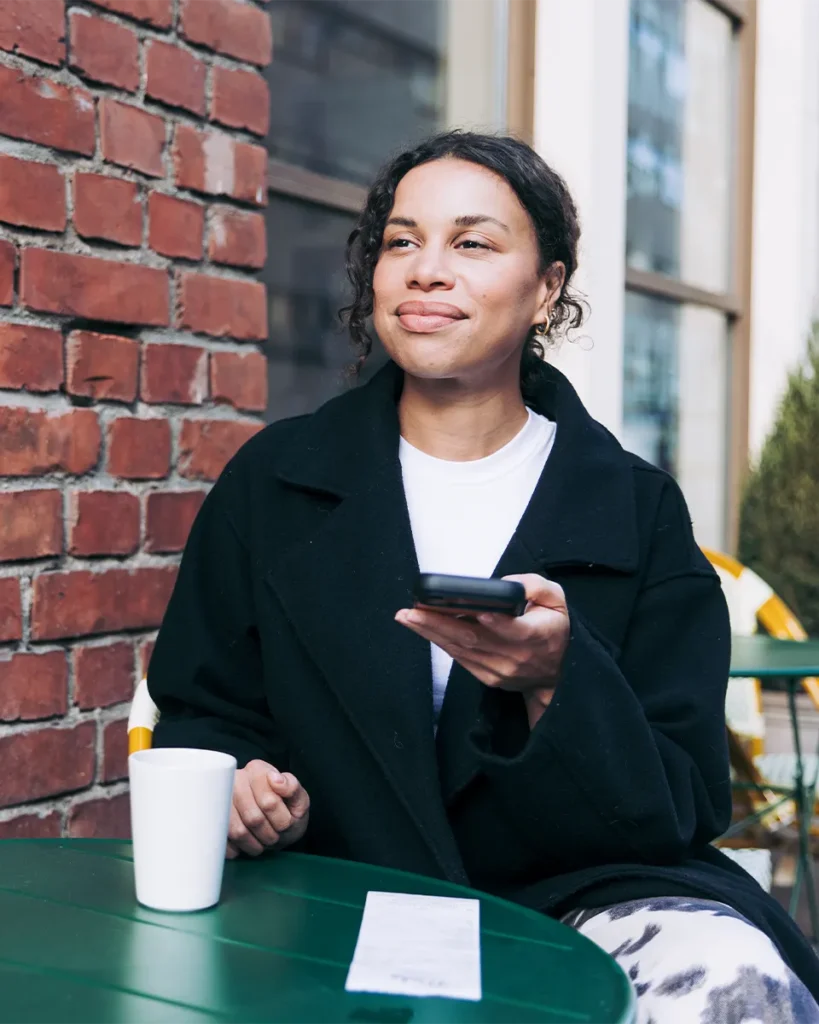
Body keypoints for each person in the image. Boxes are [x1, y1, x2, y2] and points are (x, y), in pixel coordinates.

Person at [149, 131, 819, 1021]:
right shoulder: (274, 482)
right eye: (401, 241)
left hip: (579, 897)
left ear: (546, 289)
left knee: (736, 983)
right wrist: (239, 778)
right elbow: (201, 706)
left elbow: (680, 802)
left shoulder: (635, 508)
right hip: (339, 894)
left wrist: (555, 684)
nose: (426, 270)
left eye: (471, 242)